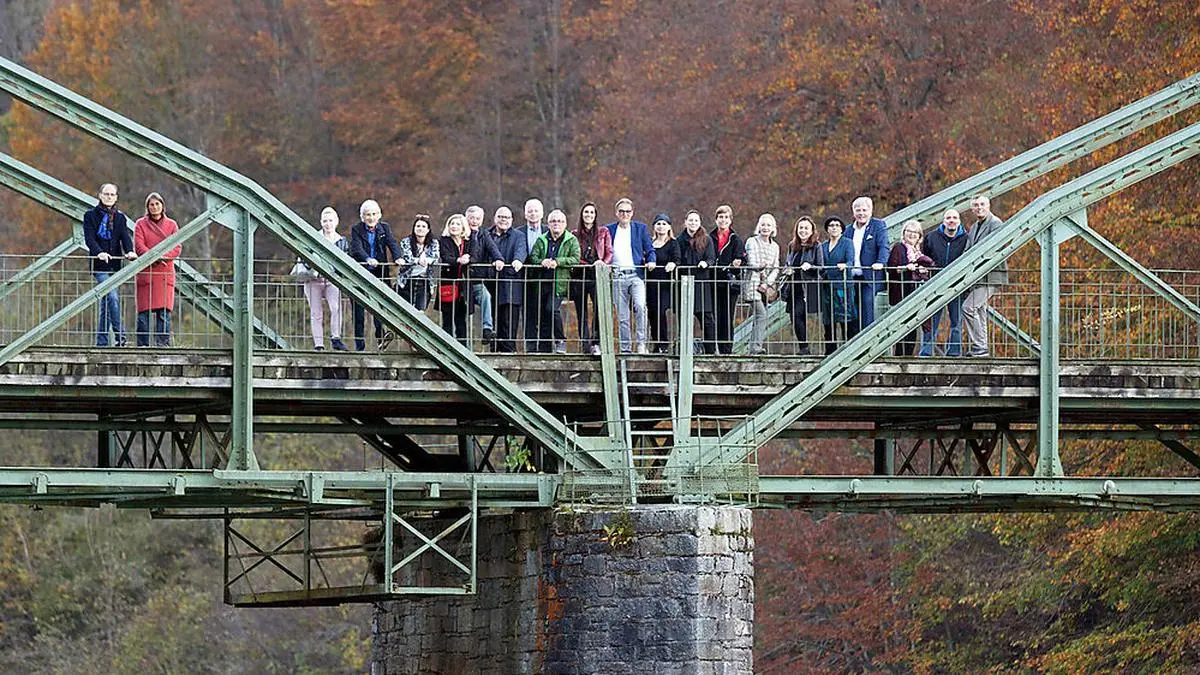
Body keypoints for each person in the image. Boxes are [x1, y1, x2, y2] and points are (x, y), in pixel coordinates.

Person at [82, 183, 135, 347]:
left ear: (116, 197)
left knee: (106, 302)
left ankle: (102, 342)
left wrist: (130, 250)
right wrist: (99, 252)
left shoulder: (120, 218)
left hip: (115, 264)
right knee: (112, 297)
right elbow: (89, 239)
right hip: (99, 266)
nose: (109, 197)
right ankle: (121, 337)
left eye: (112, 195)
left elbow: (124, 237)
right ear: (100, 195)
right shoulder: (90, 215)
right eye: (106, 194)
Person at [605, 197, 657, 354]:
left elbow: (650, 249)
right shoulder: (608, 229)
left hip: (636, 275)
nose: (625, 214)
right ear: (616, 213)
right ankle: (625, 348)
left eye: (628, 211)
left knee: (641, 307)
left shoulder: (640, 229)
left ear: (632, 213)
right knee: (622, 316)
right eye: (621, 211)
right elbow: (603, 250)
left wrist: (651, 261)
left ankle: (641, 343)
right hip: (617, 276)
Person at [349, 199, 401, 351]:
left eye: (373, 214)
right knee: (358, 310)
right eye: (367, 215)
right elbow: (356, 248)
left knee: (379, 305)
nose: (371, 217)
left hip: (379, 272)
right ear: (362, 217)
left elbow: (392, 243)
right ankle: (360, 345)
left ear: (379, 215)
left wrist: (397, 257)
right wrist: (367, 259)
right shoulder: (356, 229)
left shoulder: (384, 228)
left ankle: (381, 337)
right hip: (360, 271)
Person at [962, 195, 1009, 357]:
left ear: (988, 206)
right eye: (976, 205)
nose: (979, 207)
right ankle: (981, 348)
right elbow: (968, 251)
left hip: (990, 274)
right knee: (979, 309)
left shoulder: (995, 223)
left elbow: (995, 248)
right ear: (972, 209)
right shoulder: (975, 226)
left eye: (982, 204)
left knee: (968, 308)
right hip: (978, 276)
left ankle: (980, 346)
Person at [528, 209, 581, 353]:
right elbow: (534, 257)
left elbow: (575, 259)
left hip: (560, 283)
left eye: (559, 221)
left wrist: (558, 261)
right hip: (542, 282)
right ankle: (544, 349)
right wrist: (542, 261)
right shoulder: (542, 239)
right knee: (544, 316)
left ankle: (560, 340)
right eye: (553, 221)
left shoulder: (571, 240)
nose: (556, 224)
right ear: (548, 224)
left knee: (551, 309)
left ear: (565, 224)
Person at [133, 192, 181, 347]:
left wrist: (163, 257)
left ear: (162, 205)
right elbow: (139, 246)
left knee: (164, 313)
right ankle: (142, 345)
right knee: (143, 313)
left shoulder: (172, 225)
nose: (154, 207)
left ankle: (163, 345)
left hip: (165, 272)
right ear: (147, 207)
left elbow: (177, 246)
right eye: (151, 205)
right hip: (147, 271)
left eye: (157, 204)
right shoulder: (140, 224)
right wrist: (154, 257)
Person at [920, 209, 969, 357]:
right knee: (931, 322)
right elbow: (925, 258)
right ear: (943, 221)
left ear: (959, 221)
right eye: (948, 218)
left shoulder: (966, 238)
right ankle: (926, 352)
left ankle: (954, 352)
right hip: (935, 286)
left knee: (956, 321)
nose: (951, 220)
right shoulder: (931, 237)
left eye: (954, 217)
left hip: (957, 286)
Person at [303, 207, 349, 351]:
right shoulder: (312, 237)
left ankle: (336, 338)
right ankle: (319, 345)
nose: (328, 224)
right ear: (321, 222)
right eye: (325, 221)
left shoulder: (341, 241)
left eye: (330, 220)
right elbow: (305, 257)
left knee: (336, 308)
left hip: (332, 280)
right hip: (313, 280)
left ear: (336, 222)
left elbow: (345, 262)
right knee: (316, 312)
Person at [886, 219, 934, 356]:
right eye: (909, 231)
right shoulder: (898, 248)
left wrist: (923, 271)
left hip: (915, 292)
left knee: (912, 328)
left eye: (915, 232)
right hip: (900, 293)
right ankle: (899, 356)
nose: (912, 235)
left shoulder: (920, 252)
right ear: (904, 233)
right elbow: (891, 268)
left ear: (919, 236)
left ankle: (908, 356)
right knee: (900, 327)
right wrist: (906, 268)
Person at [570, 202, 612, 355]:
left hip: (597, 273)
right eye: (586, 212)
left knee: (599, 308)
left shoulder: (603, 232)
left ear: (595, 215)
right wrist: (585, 264)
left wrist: (603, 263)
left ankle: (596, 342)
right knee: (581, 310)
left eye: (592, 212)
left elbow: (609, 252)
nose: (589, 215)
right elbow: (573, 255)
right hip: (580, 274)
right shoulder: (574, 234)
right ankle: (585, 344)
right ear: (582, 215)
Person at [675, 210, 718, 354]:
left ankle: (711, 351)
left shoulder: (706, 239)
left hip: (701, 284)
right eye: (691, 220)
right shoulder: (679, 240)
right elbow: (677, 259)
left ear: (700, 223)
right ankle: (685, 350)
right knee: (685, 320)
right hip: (684, 284)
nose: (693, 223)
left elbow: (711, 258)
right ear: (685, 222)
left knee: (707, 320)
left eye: (696, 221)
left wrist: (706, 263)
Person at [847, 196, 889, 336]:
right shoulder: (848, 230)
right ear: (853, 212)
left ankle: (867, 342)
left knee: (867, 307)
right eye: (858, 210)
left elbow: (883, 247)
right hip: (851, 277)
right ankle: (851, 344)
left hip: (869, 276)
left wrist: (881, 263)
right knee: (851, 311)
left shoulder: (878, 226)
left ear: (870, 211)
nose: (861, 213)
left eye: (864, 210)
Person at [782, 216, 824, 356]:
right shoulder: (792, 245)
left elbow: (821, 267)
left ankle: (807, 347)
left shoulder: (816, 246)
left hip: (808, 287)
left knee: (798, 313)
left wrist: (810, 266)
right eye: (801, 228)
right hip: (793, 286)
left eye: (806, 228)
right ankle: (803, 347)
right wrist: (787, 269)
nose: (803, 230)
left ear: (812, 230)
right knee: (794, 317)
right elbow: (788, 263)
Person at [490, 206, 527, 353]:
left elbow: (521, 251)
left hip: (511, 287)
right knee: (494, 325)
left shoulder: (518, 236)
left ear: (511, 220)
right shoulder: (487, 234)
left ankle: (509, 359)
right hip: (492, 285)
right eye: (500, 217)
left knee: (509, 325)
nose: (503, 220)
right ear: (495, 218)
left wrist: (518, 260)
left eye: (506, 217)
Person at [465, 205, 503, 345]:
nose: (474, 221)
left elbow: (492, 248)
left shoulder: (483, 234)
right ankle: (461, 344)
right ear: (466, 219)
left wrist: (499, 259)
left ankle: (487, 329)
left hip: (476, 280)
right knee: (462, 312)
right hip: (462, 279)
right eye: (472, 218)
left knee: (486, 296)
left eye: (477, 218)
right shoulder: (461, 232)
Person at [744, 213, 781, 355]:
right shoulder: (751, 241)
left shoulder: (775, 246)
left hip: (765, 287)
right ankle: (756, 348)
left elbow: (776, 267)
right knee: (762, 314)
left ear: (773, 228)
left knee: (759, 316)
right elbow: (752, 262)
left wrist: (767, 283)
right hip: (752, 284)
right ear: (759, 226)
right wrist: (760, 266)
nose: (765, 228)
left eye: (768, 225)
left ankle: (753, 347)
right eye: (763, 224)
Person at [819, 217, 856, 355]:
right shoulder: (823, 246)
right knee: (828, 319)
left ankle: (849, 349)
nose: (834, 227)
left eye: (837, 225)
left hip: (843, 286)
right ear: (827, 229)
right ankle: (830, 350)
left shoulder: (847, 243)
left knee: (845, 317)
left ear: (841, 228)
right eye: (831, 225)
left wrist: (845, 266)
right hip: (827, 286)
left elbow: (851, 261)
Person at [712, 204, 746, 354]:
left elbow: (743, 258)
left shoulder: (736, 239)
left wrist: (738, 262)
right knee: (713, 315)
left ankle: (726, 349)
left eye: (726, 217)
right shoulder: (709, 237)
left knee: (727, 316)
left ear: (731, 220)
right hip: (712, 282)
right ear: (716, 219)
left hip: (729, 283)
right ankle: (714, 348)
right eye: (720, 217)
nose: (723, 220)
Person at [646, 213, 680, 353]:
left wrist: (672, 263)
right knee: (652, 313)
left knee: (660, 311)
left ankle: (664, 344)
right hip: (651, 284)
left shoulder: (673, 243)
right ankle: (656, 343)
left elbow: (677, 258)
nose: (661, 226)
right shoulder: (649, 242)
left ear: (669, 227)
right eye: (658, 224)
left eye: (664, 224)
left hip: (665, 284)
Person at [438, 214, 472, 344]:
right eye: (452, 223)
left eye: (458, 224)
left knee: (461, 319)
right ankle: (447, 346)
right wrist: (458, 260)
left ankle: (462, 348)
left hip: (463, 285)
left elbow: (475, 254)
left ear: (463, 226)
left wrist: (468, 257)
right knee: (447, 318)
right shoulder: (444, 241)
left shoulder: (468, 241)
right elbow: (446, 257)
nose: (454, 226)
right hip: (448, 283)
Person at [518, 199, 547, 351]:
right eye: (530, 211)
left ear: (542, 213)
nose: (533, 214)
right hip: (526, 278)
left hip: (545, 278)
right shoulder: (518, 232)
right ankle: (530, 347)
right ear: (525, 214)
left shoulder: (549, 231)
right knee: (528, 313)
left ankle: (545, 347)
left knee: (545, 312)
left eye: (536, 211)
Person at [396, 214, 439, 311]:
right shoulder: (406, 241)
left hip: (424, 281)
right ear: (414, 228)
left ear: (428, 230)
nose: (420, 229)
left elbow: (435, 258)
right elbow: (407, 257)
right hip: (407, 280)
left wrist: (426, 259)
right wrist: (418, 260)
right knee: (405, 311)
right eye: (418, 226)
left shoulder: (433, 243)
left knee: (420, 311)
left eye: (424, 226)